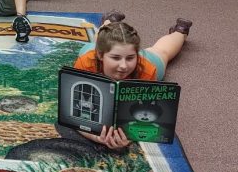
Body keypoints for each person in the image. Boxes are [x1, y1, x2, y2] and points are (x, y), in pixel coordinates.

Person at [68, 11, 192, 150]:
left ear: (137, 55)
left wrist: (130, 137)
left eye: (130, 58)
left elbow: (144, 119)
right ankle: (109, 22)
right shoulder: (86, 63)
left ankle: (180, 32)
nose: (123, 66)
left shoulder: (146, 69)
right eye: (116, 58)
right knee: (99, 41)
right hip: (94, 54)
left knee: (161, 52)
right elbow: (72, 114)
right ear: (100, 55)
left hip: (143, 62)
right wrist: (95, 136)